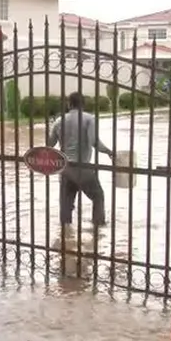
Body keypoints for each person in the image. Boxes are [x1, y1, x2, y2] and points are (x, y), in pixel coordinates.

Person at [47, 92, 114, 235]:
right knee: (98, 196)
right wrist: (108, 151)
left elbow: (49, 145)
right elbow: (94, 141)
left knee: (66, 204)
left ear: (69, 104)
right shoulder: (89, 119)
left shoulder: (59, 121)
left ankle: (65, 234)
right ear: (83, 105)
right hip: (83, 167)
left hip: (65, 168)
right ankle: (98, 228)